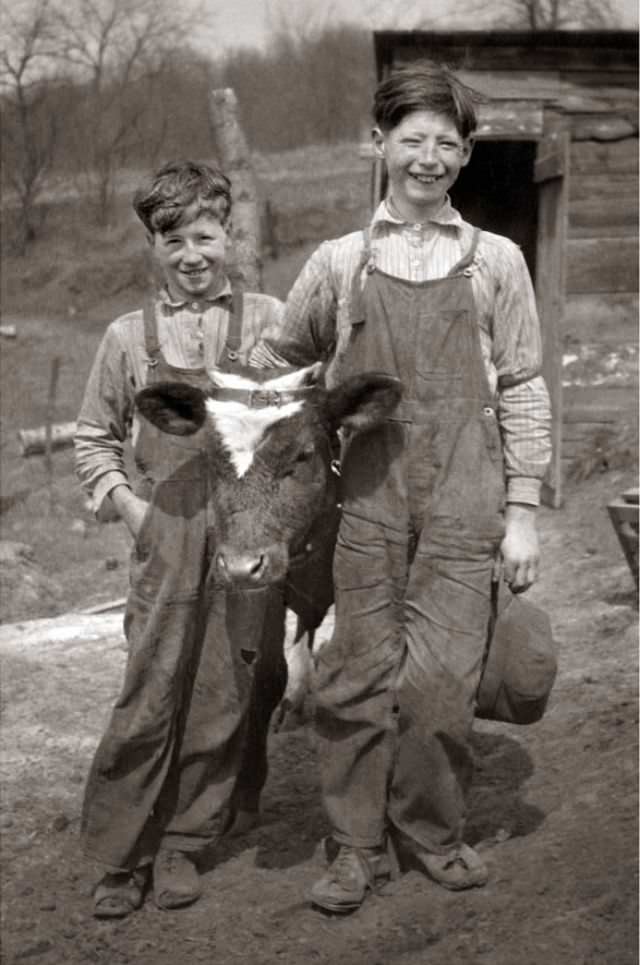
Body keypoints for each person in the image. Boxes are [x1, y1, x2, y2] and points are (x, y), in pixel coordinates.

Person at [250, 60, 552, 912]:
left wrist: (522, 513)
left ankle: (432, 834)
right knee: (354, 679)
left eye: (446, 144)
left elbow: (525, 385)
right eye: (411, 140)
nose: (428, 158)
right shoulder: (338, 263)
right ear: (377, 144)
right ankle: (353, 845)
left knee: (439, 683)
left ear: (464, 157)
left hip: (465, 499)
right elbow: (277, 362)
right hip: (369, 503)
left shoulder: (497, 261)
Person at [74, 160, 287, 918]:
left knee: (222, 691)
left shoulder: (268, 319)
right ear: (153, 247)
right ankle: (121, 852)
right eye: (174, 240)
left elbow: (292, 423)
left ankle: (184, 844)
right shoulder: (128, 337)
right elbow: (93, 439)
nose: (192, 253)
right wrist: (132, 510)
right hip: (164, 533)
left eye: (206, 234)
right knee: (150, 688)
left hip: (243, 525)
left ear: (230, 236)